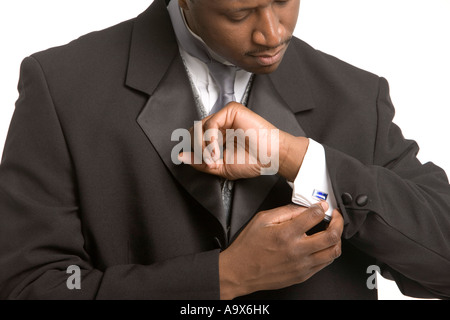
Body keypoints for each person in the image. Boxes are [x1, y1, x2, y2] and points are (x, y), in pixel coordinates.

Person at [0, 0, 449, 300]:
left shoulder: (356, 95)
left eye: (283, 0)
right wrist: (223, 277)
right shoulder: (61, 85)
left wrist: (301, 159)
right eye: (239, 14)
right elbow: (26, 286)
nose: (272, 33)